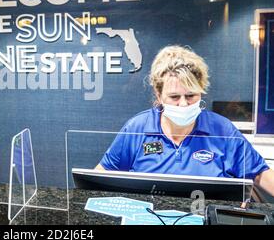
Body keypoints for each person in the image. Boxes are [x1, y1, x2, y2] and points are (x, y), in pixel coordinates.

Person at [96, 45, 274, 196]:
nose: (183, 104)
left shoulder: (222, 130)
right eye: (174, 96)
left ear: (201, 91)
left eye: (191, 95)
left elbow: (260, 173)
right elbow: (101, 176)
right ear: (158, 95)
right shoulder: (138, 128)